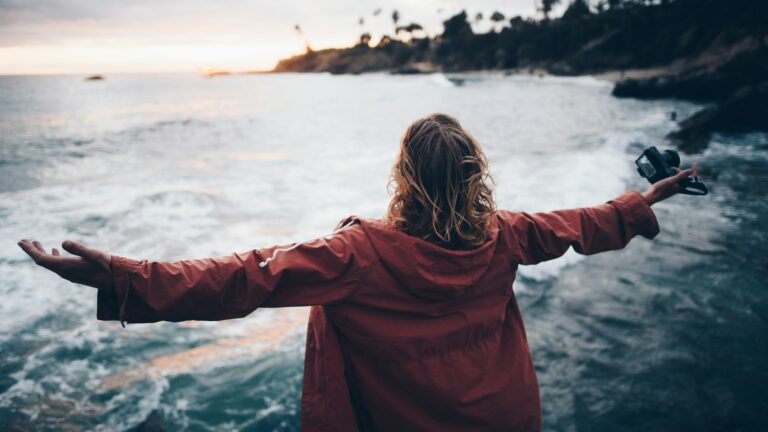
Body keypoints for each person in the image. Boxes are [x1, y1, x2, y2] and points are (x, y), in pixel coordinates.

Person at [18, 113, 698, 431]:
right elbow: (583, 223)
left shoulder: (356, 256)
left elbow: (241, 278)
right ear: (474, 177)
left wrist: (123, 276)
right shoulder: (504, 235)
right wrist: (649, 198)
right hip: (505, 417)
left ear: (403, 177)